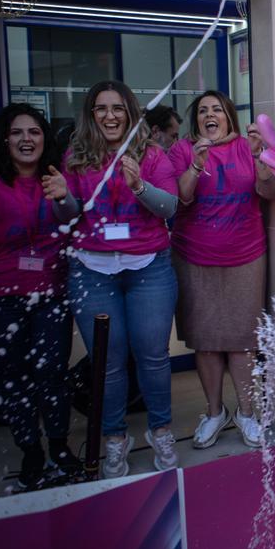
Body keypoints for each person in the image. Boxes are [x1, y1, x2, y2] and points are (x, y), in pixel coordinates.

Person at [49, 80, 179, 479]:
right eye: (101, 108)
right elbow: (69, 216)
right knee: (107, 364)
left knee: (153, 358)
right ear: (91, 115)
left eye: (118, 108)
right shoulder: (76, 157)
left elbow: (170, 207)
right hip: (92, 270)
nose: (109, 115)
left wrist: (139, 184)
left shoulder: (153, 155)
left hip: (149, 269)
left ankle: (161, 432)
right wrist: (60, 198)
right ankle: (113, 440)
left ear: (131, 113)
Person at [0, 103, 76, 490]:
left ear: (45, 139)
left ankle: (58, 447)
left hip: (51, 293)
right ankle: (31, 452)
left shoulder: (56, 176)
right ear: (5, 140)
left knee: (52, 373)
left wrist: (64, 195)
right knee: (14, 377)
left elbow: (74, 213)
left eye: (34, 132)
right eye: (17, 133)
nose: (26, 139)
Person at [169, 91, 275, 449]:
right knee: (205, 342)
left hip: (245, 258)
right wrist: (196, 164)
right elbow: (180, 198)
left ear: (229, 116)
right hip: (194, 259)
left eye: (217, 109)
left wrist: (261, 153)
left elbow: (271, 190)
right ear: (196, 120)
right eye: (203, 111)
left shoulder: (246, 147)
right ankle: (215, 412)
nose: (210, 115)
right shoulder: (182, 150)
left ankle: (246, 413)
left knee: (242, 341)